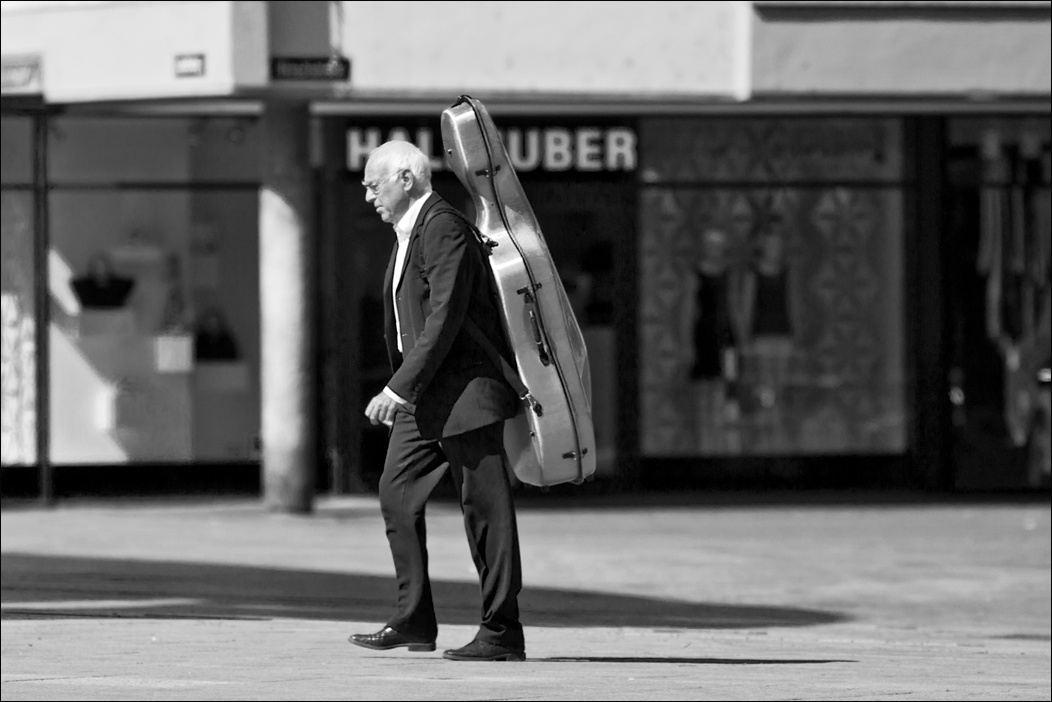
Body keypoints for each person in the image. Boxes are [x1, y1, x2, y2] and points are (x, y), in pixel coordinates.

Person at [347, 141, 526, 662]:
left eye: (373, 184)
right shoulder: (411, 231)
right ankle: (414, 620)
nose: (368, 196)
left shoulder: (443, 226)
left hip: (466, 393)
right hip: (427, 396)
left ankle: (501, 633)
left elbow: (445, 317)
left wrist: (397, 387)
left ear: (405, 179)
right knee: (396, 493)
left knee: (485, 512)